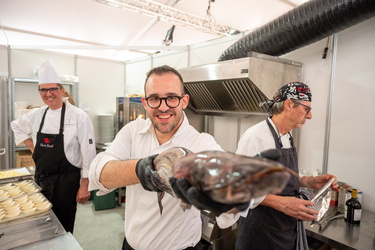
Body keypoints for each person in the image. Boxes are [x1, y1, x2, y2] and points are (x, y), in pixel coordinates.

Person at [88, 65, 227, 250]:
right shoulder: (133, 132)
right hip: (129, 246)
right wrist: (141, 169)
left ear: (184, 101)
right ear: (145, 103)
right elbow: (98, 173)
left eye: (171, 98)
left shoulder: (201, 143)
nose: (163, 107)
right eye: (154, 98)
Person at [232, 82, 339, 250]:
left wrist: (308, 181)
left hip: (284, 230)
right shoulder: (256, 138)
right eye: (306, 109)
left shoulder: (286, 136)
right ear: (289, 104)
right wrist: (281, 203)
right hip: (260, 233)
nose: (309, 116)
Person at [11, 59, 96, 233]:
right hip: (41, 179)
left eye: (53, 89)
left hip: (66, 183)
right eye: (43, 89)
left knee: (62, 229)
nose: (48, 94)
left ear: (62, 90)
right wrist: (34, 149)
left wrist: (85, 185)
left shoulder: (79, 116)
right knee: (41, 224)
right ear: (39, 92)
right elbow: (16, 125)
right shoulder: (37, 114)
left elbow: (88, 153)